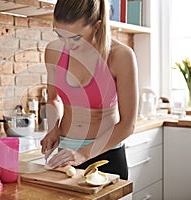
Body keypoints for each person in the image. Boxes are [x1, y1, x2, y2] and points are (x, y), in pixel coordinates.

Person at [40, 0, 138, 180]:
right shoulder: (53, 51)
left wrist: (84, 154)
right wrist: (53, 128)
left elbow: (128, 124)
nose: (67, 46)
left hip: (106, 155)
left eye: (76, 38)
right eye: (60, 35)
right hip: (66, 153)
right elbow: (53, 98)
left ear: (96, 26)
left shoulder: (121, 56)